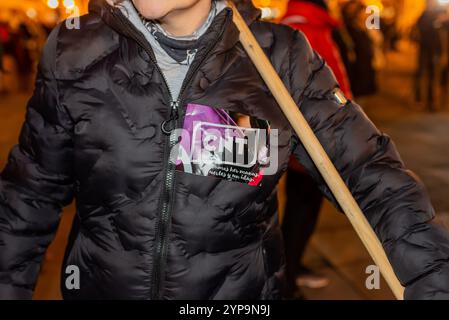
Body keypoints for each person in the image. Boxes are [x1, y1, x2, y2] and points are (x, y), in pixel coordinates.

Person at [0, 0, 449, 300]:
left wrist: (433, 278)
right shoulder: (73, 51)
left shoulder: (282, 59)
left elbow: (372, 174)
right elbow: (27, 199)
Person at [281, 0, 352, 298]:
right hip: (313, 141)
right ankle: (287, 279)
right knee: (301, 209)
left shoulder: (309, 26)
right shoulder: (305, 29)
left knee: (302, 208)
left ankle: (293, 267)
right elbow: (323, 90)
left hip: (311, 139)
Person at [414, 0, 445, 112]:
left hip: (434, 51)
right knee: (421, 73)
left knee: (432, 75)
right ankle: (418, 99)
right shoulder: (423, 16)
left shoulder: (438, 14)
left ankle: (431, 101)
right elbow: (423, 29)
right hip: (425, 51)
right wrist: (436, 22)